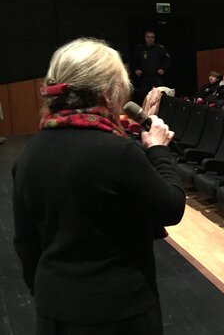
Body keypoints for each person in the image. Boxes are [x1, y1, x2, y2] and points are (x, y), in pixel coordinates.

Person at [12, 37, 185, 334]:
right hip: (119, 311)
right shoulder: (117, 152)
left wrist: (48, 293)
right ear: (108, 91)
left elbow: (26, 243)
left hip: (54, 309)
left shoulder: (30, 153)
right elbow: (171, 207)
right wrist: (158, 150)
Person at [131, 30, 171, 103]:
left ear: (154, 38)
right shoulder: (140, 48)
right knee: (144, 97)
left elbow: (168, 61)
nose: (150, 39)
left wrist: (163, 69)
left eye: (152, 37)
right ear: (145, 38)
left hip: (156, 77)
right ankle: (145, 113)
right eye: (148, 37)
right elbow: (133, 61)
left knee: (158, 97)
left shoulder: (160, 48)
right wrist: (136, 69)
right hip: (144, 77)